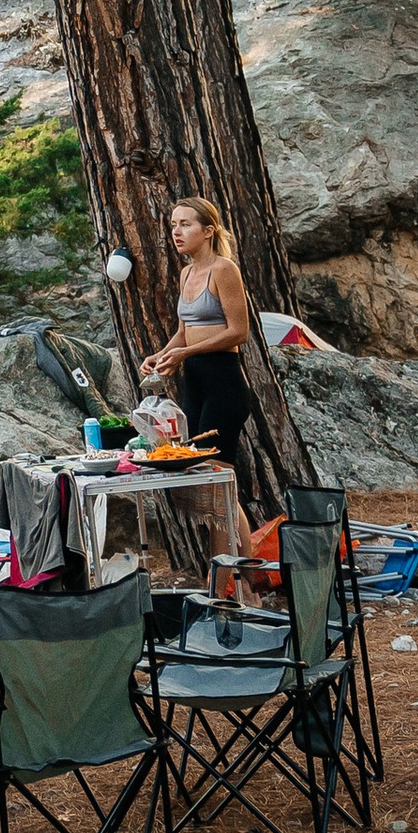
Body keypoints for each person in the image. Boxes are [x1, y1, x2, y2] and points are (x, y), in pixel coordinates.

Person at [139, 193, 255, 564]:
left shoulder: (224, 270)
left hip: (223, 383)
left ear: (208, 231)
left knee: (220, 487)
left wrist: (187, 353)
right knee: (207, 486)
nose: (176, 231)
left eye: (185, 224)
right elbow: (185, 330)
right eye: (173, 224)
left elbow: (239, 331)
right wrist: (161, 354)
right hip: (195, 385)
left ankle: (238, 582)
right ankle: (227, 578)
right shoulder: (186, 272)